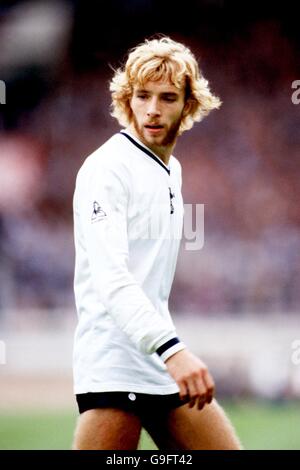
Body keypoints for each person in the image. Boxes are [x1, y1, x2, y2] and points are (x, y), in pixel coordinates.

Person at [72, 36, 242, 450]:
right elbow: (112, 278)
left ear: (188, 105)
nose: (152, 109)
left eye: (167, 97)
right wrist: (174, 351)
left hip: (156, 362)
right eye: (142, 95)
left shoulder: (171, 169)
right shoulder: (108, 168)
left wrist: (166, 351)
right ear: (127, 99)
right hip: (116, 364)